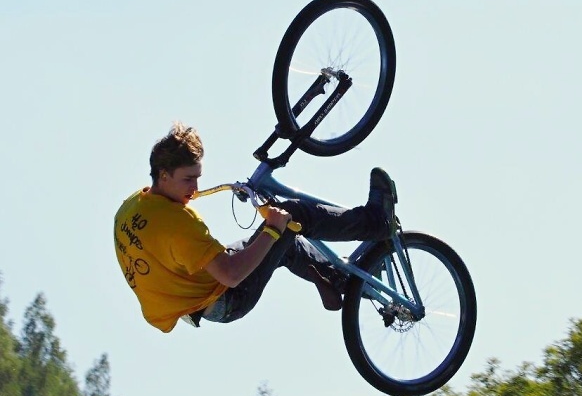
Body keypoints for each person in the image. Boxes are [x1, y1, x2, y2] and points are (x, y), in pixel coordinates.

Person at [114, 122, 397, 333]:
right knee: (292, 215)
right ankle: (376, 222)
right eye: (188, 179)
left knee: (284, 245)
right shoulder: (179, 224)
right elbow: (231, 275)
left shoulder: (133, 206)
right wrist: (273, 228)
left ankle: (340, 283)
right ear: (164, 175)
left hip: (197, 294)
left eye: (198, 177)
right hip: (229, 298)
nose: (196, 188)